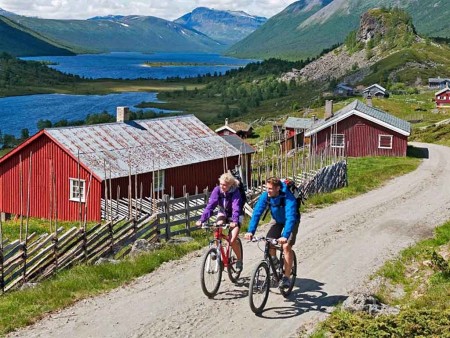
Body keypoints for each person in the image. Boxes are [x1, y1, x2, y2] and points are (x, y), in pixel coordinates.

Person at [244, 177, 300, 289]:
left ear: (278, 188)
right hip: (277, 220)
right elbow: (257, 213)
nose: (267, 190)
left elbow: (290, 217)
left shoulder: (288, 197)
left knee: (286, 246)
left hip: (292, 221)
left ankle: (286, 278)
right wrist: (251, 231)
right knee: (269, 242)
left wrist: (285, 236)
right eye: (266, 188)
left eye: (270, 188)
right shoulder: (266, 196)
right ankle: (275, 261)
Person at [196, 172, 243, 271]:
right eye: (221, 184)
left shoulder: (235, 192)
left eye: (225, 185)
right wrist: (201, 220)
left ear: (230, 185)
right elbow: (210, 206)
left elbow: (236, 207)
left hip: (235, 215)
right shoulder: (217, 190)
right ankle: (219, 254)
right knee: (217, 228)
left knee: (232, 239)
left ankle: (239, 260)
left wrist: (234, 221)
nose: (222, 186)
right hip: (223, 212)